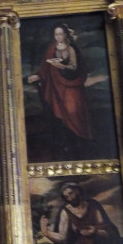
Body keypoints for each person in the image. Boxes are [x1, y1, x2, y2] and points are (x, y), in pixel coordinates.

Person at [28, 22, 93, 155]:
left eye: (60, 34)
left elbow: (75, 68)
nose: (58, 37)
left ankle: (79, 145)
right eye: (55, 34)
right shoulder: (51, 48)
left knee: (72, 112)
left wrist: (61, 66)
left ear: (65, 35)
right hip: (55, 88)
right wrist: (37, 76)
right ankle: (64, 147)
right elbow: (45, 69)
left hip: (71, 87)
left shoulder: (70, 49)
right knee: (57, 115)